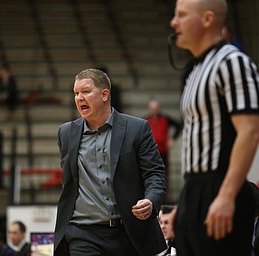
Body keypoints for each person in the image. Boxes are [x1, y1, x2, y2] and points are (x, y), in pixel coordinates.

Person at [170, 0, 259, 255]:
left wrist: (227, 196)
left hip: (221, 186)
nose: (173, 22)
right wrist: (185, 201)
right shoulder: (193, 70)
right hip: (193, 188)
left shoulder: (233, 62)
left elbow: (250, 131)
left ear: (208, 19)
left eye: (181, 16)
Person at [54, 68, 167, 256]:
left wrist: (151, 200)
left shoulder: (136, 129)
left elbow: (155, 173)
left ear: (104, 94)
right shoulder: (66, 133)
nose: (79, 98)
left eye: (86, 91)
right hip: (83, 232)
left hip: (129, 231)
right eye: (76, 93)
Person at [144, 99, 182, 174]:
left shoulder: (165, 119)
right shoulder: (145, 120)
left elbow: (179, 126)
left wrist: (172, 139)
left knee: (164, 173)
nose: (154, 111)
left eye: (156, 109)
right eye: (152, 109)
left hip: (163, 151)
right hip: (150, 152)